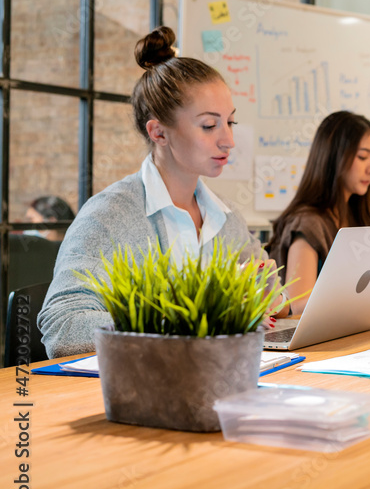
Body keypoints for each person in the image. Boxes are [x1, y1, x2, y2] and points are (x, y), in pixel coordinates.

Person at [39, 26, 283, 358]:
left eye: (230, 123)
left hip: (220, 377)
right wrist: (173, 324)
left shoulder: (225, 217)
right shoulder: (108, 216)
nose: (228, 140)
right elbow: (62, 326)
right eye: (209, 125)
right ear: (159, 132)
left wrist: (264, 293)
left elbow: (270, 299)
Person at [265, 110, 370, 317]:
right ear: (334, 158)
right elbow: (298, 305)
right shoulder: (308, 223)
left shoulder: (359, 217)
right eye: (363, 156)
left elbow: (361, 291)